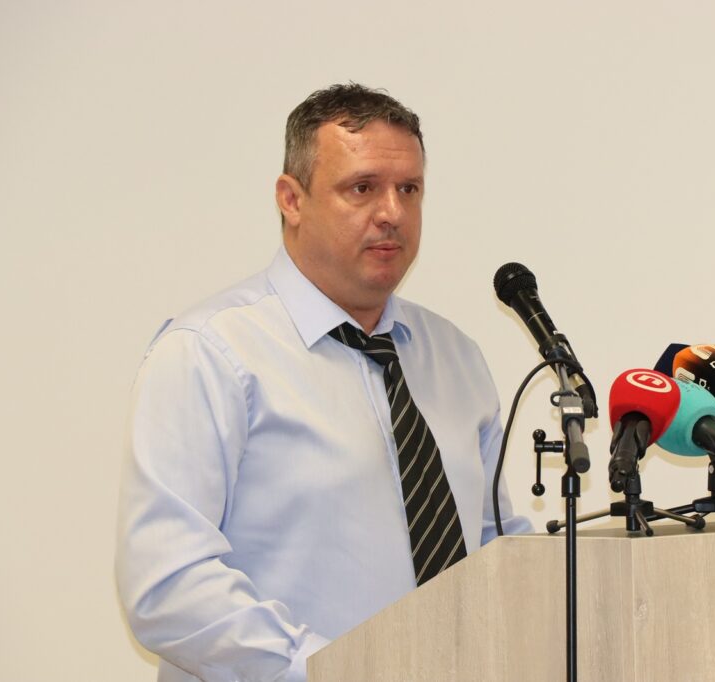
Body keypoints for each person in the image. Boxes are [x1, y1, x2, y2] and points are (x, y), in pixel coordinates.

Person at [116, 83, 531, 682]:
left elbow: (492, 548)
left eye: (409, 190)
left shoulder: (455, 358)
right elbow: (168, 585)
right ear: (291, 199)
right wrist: (332, 671)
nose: (391, 213)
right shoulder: (209, 353)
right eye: (362, 188)